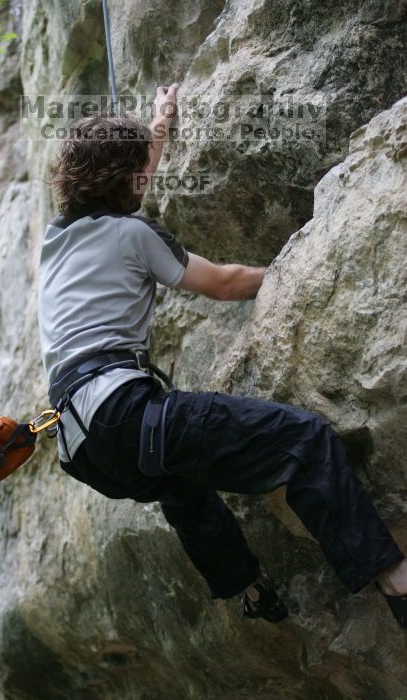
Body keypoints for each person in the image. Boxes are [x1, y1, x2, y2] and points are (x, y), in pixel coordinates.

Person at [37, 83, 407, 628]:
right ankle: (394, 578)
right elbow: (224, 284)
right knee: (303, 441)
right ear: (125, 180)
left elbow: (133, 170)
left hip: (83, 445)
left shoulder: (56, 243)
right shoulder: (133, 235)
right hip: (122, 411)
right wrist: (296, 265)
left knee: (180, 481)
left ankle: (248, 588)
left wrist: (160, 120)